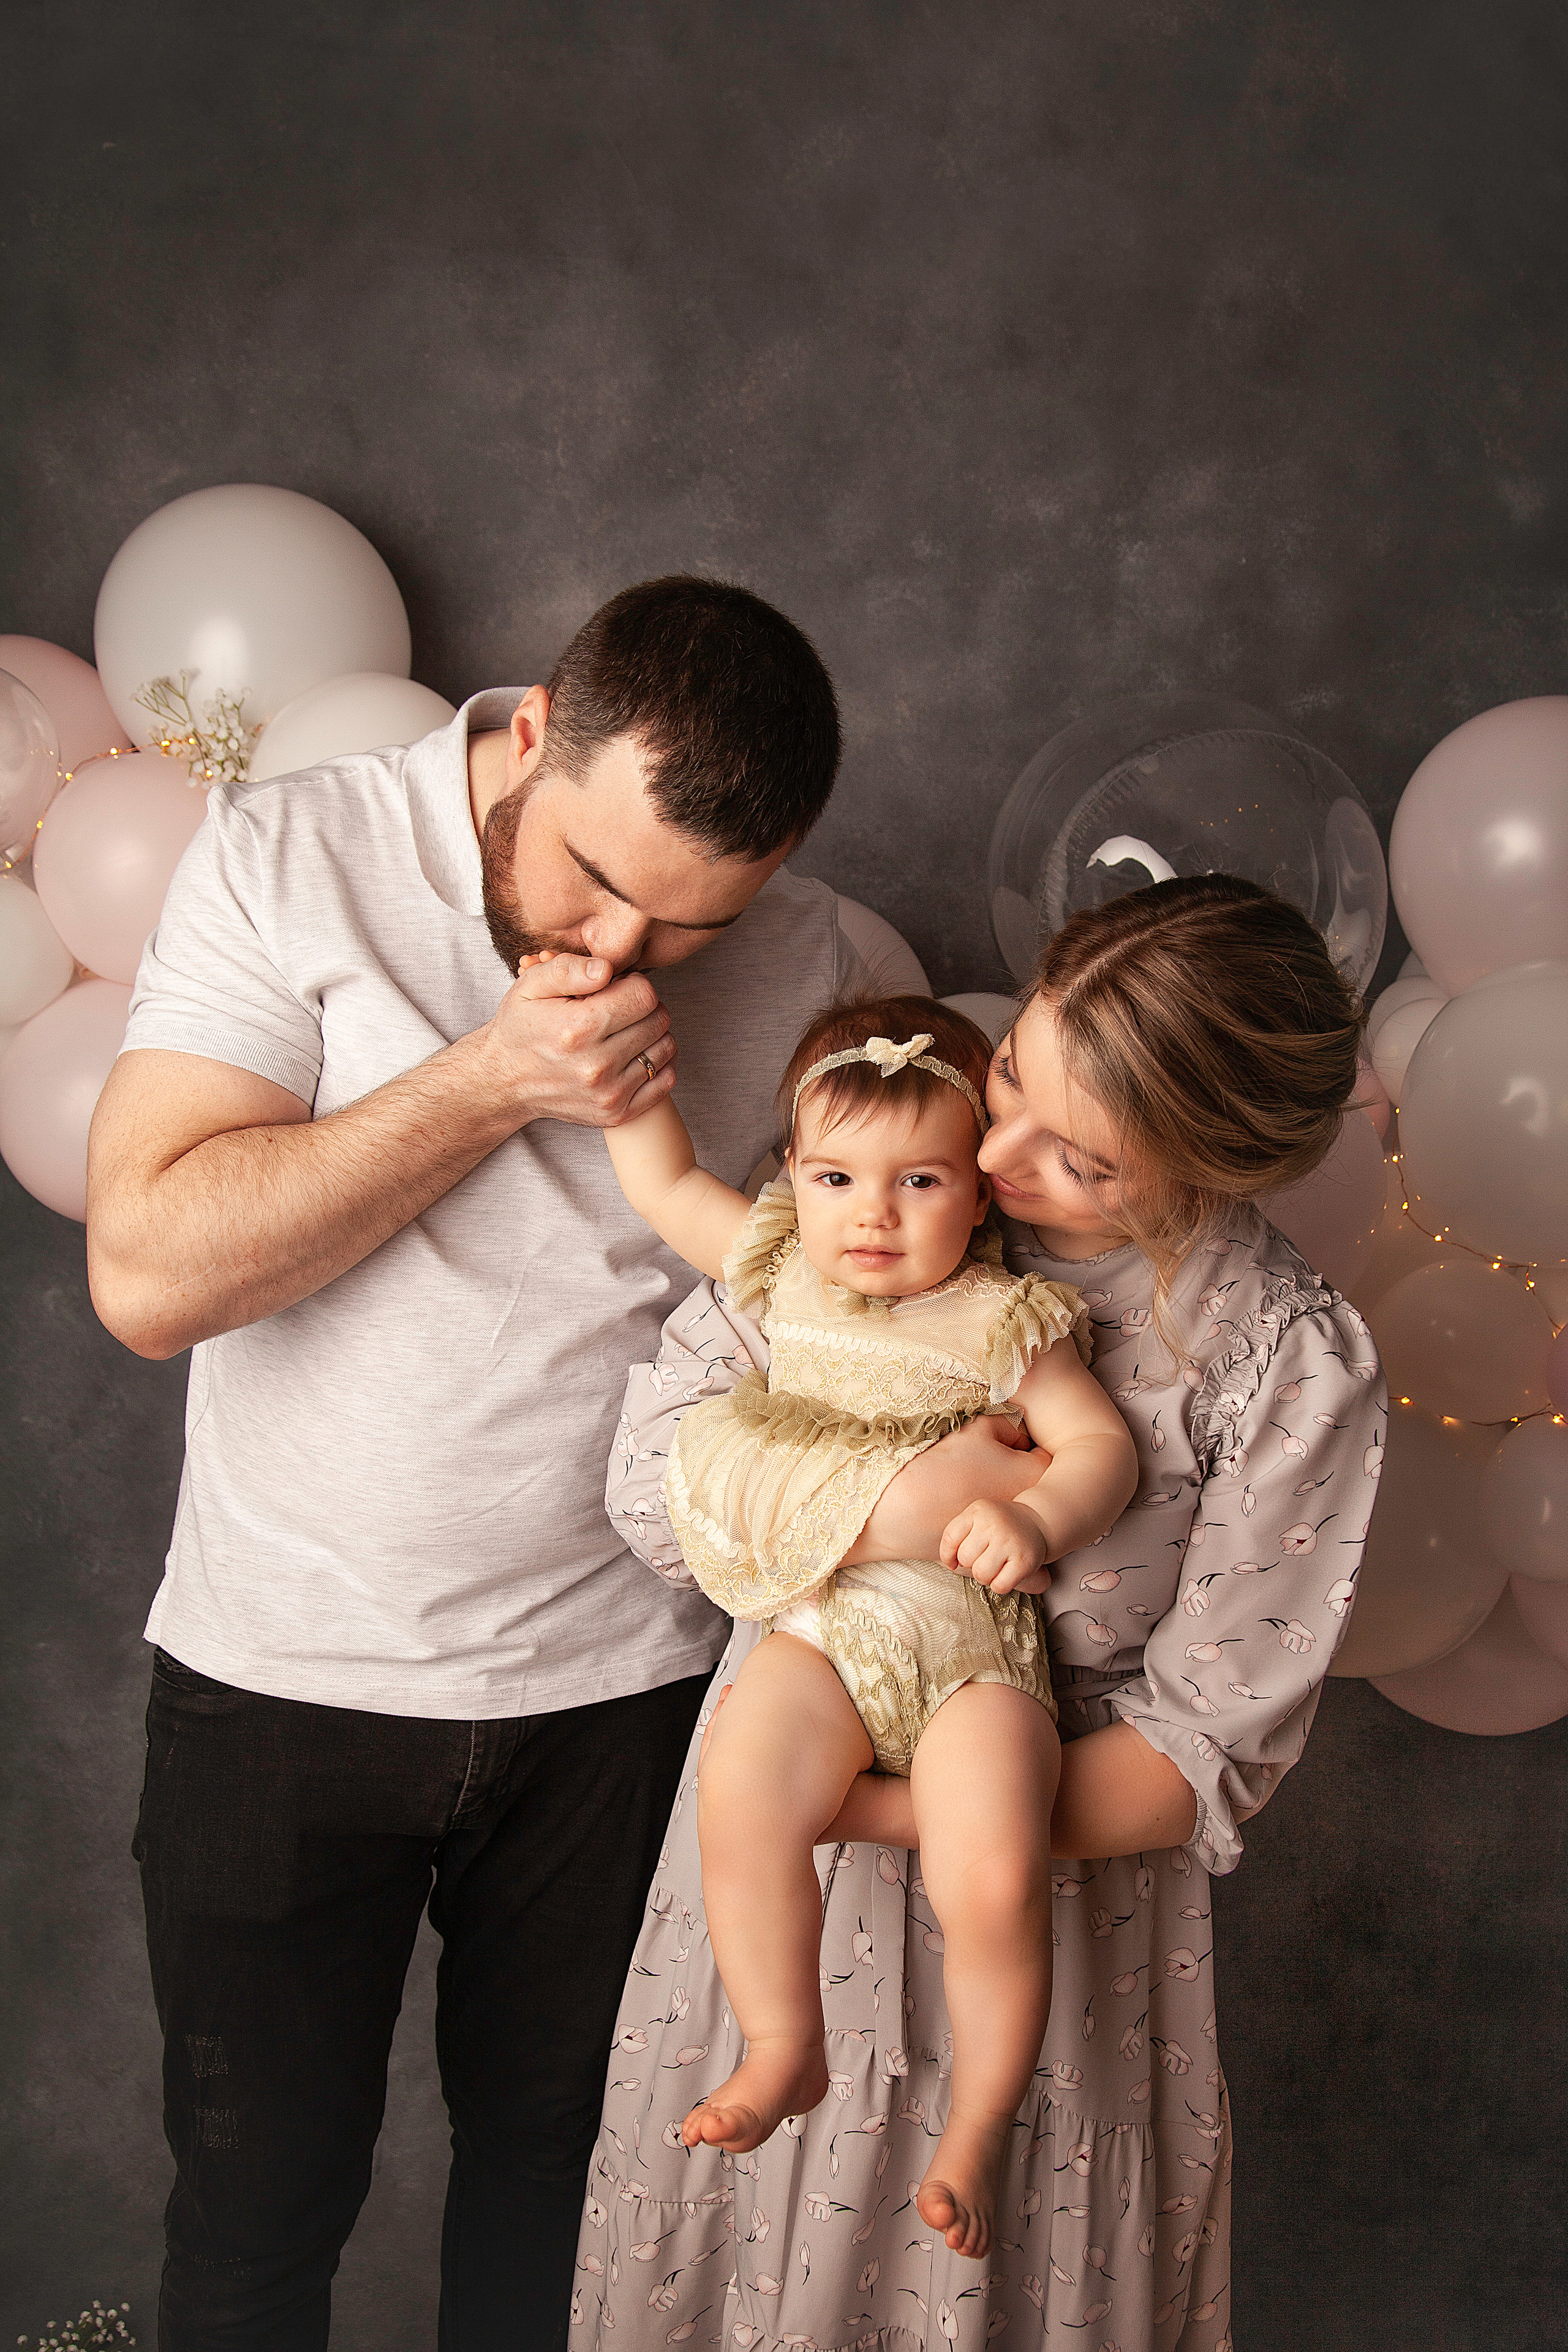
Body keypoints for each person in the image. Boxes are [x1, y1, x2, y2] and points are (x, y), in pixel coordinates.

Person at [83, 575, 960, 2352]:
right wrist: (492, 1081)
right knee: (258, 2222)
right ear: (533, 734)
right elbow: (149, 1275)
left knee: (574, 2214)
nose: (631, 948)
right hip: (281, 1682)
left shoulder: (831, 971)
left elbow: (889, 1328)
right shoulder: (293, 855)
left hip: (630, 1701)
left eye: (695, 923)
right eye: (599, 879)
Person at [573, 875, 1386, 2351]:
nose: (995, 1155)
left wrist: (876, 1805)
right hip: (774, 1916)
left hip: (1039, 1926)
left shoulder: (1280, 1356)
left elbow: (1194, 1757)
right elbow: (645, 1489)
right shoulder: (887, 1176)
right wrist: (892, 1512)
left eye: (1082, 1161)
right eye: (1011, 1067)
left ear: (1215, 1164)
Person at [598, 993, 1138, 2257]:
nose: (872, 1214)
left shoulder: (1004, 1321)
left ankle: (975, 2128)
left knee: (990, 1870)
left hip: (967, 1656)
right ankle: (783, 2044)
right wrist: (619, 1087)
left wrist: (1043, 1518)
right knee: (739, 1790)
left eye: (918, 1181)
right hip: (826, 1633)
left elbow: (1099, 1445)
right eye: (835, 1175)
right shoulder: (782, 1273)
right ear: (793, 1175)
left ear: (979, 1193)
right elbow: (667, 1180)